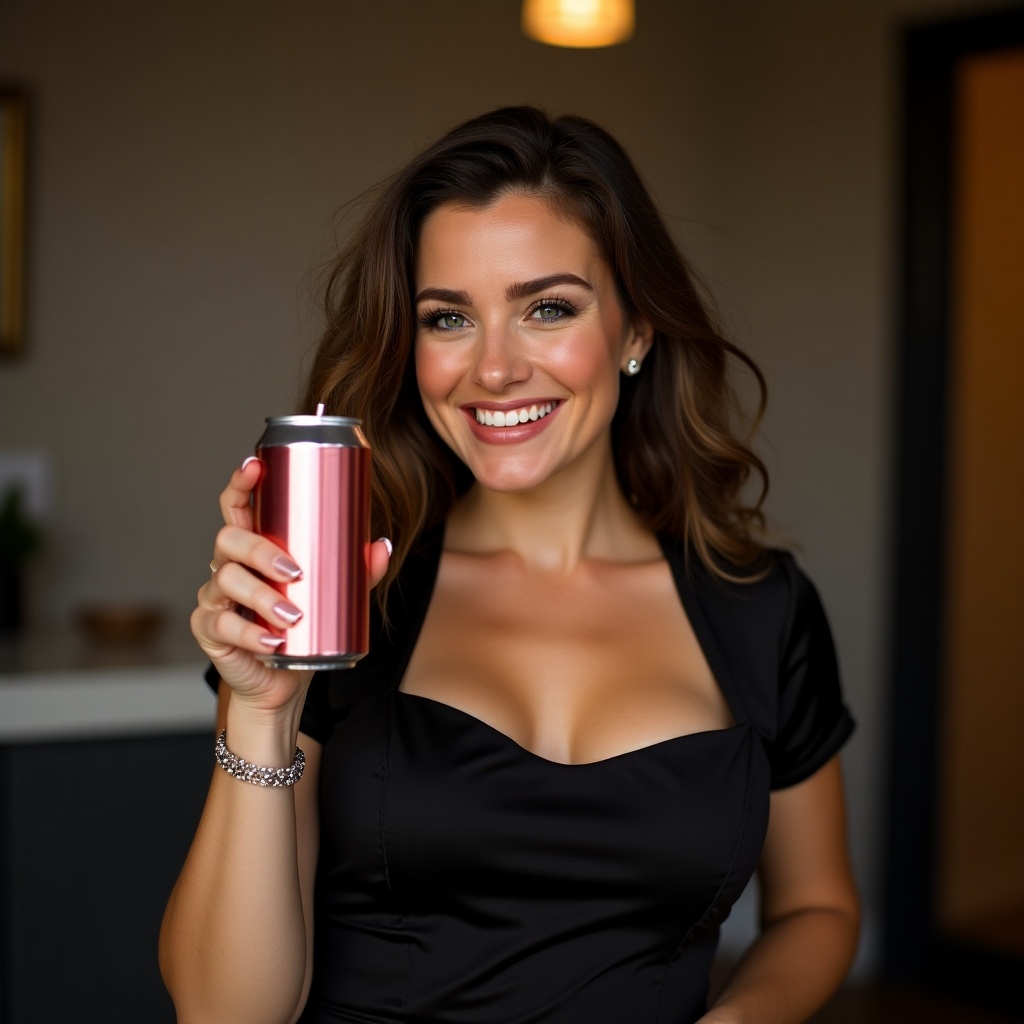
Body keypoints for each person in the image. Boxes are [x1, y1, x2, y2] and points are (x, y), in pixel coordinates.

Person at [160, 106, 859, 1024]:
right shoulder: (339, 599)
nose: (493, 368)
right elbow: (227, 1014)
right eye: (449, 318)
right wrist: (259, 713)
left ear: (638, 329)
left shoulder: (759, 608)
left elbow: (818, 908)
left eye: (548, 308)